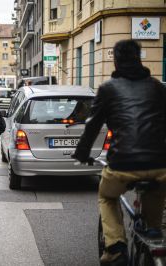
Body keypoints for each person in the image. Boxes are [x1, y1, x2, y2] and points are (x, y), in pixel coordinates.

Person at [72, 40, 166, 266]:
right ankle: (153, 237)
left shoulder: (108, 89)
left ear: (115, 59)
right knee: (154, 218)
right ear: (139, 58)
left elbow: (92, 126)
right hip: (159, 164)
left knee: (107, 197)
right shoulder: (158, 87)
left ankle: (115, 247)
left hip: (122, 163)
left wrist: (82, 153)